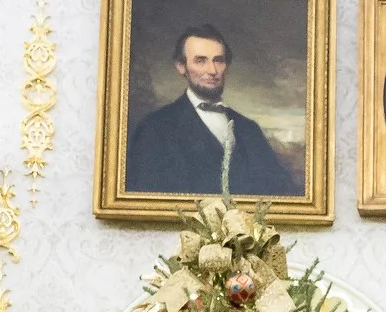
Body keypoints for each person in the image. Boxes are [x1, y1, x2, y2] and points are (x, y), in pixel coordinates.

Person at [123, 25, 299, 198]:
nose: (212, 71)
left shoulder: (249, 129)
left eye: (218, 60)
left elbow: (281, 193)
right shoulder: (154, 128)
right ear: (181, 67)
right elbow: (146, 199)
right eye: (201, 61)